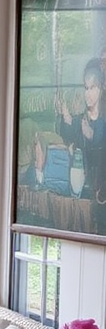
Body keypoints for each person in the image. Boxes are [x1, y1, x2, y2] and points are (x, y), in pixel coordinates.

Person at [56, 57, 106, 231]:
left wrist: (91, 136)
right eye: (86, 88)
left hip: (100, 191)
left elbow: (99, 143)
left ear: (101, 89)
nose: (88, 93)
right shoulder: (80, 120)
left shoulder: (102, 121)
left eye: (92, 88)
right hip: (82, 190)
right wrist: (67, 119)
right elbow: (70, 137)